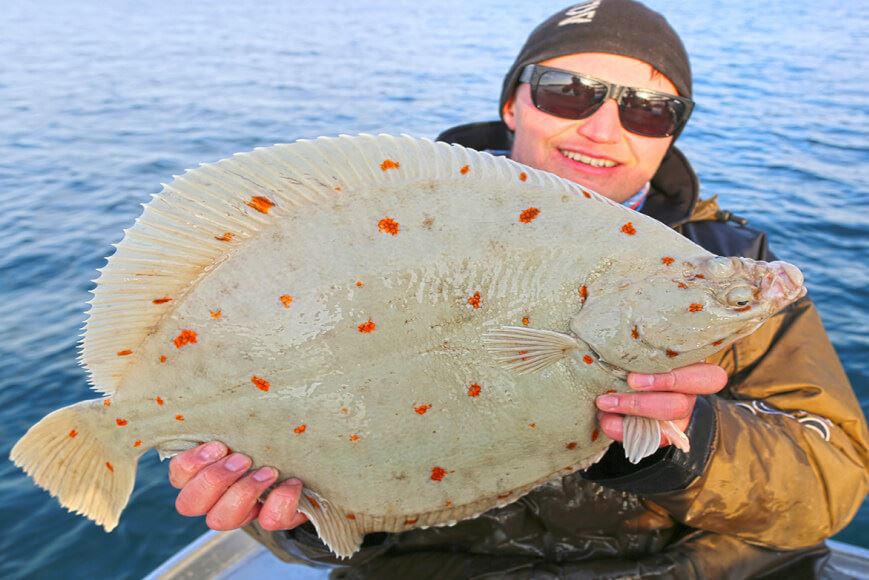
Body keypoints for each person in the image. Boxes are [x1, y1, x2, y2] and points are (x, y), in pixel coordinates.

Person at [167, 1, 869, 577]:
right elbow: (323, 502)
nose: (600, 127)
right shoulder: (392, 232)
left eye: (648, 111)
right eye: (569, 92)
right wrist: (303, 521)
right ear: (513, 103)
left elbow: (829, 482)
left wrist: (687, 442)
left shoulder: (720, 266)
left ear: (668, 136)